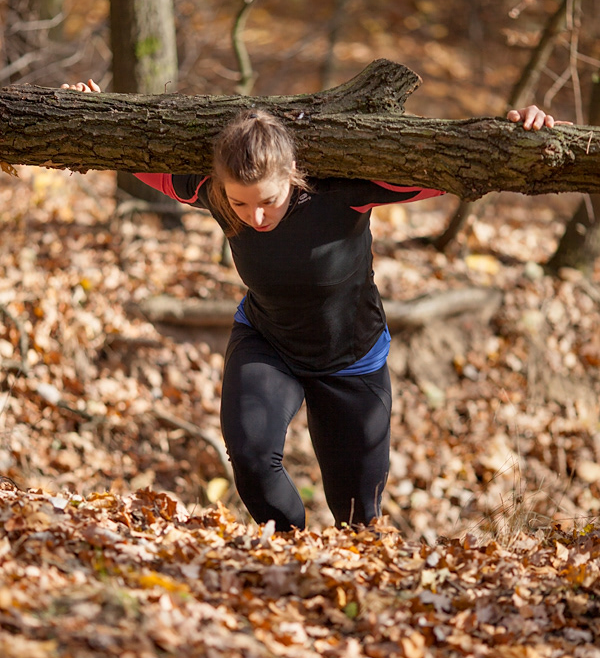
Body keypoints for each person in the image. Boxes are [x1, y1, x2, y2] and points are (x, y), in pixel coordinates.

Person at [62, 79, 564, 531]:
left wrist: (515, 133)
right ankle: (289, 552)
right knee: (253, 458)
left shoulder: (344, 192)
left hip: (353, 361)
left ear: (293, 176)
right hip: (268, 344)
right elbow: (135, 159)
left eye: (268, 200)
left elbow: (456, 170)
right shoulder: (213, 193)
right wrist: (91, 111)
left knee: (358, 517)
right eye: (240, 203)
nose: (255, 216)